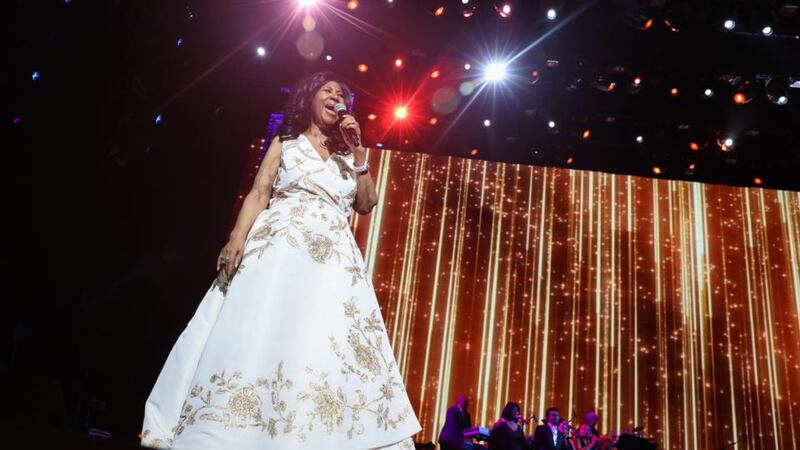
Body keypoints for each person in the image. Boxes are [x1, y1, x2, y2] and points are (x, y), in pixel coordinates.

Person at [140, 72, 421, 449]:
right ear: (310, 98)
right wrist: (237, 237)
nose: (335, 96)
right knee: (265, 322)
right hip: (280, 245)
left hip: (333, 259)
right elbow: (259, 192)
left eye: (341, 94)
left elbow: (366, 204)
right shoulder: (286, 143)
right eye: (328, 90)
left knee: (320, 336)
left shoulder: (346, 158)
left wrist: (358, 152)